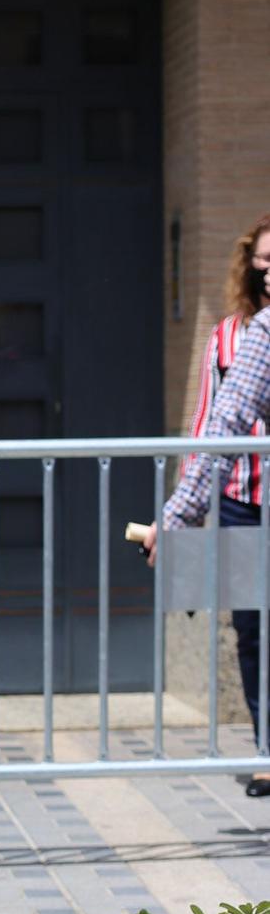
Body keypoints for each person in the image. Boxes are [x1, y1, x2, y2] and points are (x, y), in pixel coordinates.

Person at [179, 214, 270, 790]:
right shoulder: (232, 336)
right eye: (263, 260)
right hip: (242, 498)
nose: (268, 270)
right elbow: (211, 423)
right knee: (252, 632)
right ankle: (267, 749)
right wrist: (187, 508)